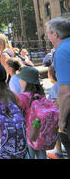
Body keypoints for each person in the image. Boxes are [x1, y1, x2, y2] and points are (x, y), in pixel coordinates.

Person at [45, 17, 70, 158]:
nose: (47, 36)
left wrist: (62, 119)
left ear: (55, 34)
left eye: (48, 33)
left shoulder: (61, 51)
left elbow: (66, 92)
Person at [15, 66, 48, 159]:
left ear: (26, 81)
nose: (19, 81)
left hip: (29, 132)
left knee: (30, 155)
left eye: (21, 79)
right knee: (42, 154)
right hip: (40, 131)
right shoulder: (41, 94)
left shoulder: (23, 97)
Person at [47, 65, 64, 159]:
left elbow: (55, 102)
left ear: (51, 75)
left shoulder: (55, 87)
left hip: (59, 115)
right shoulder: (62, 83)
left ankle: (59, 152)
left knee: (57, 134)